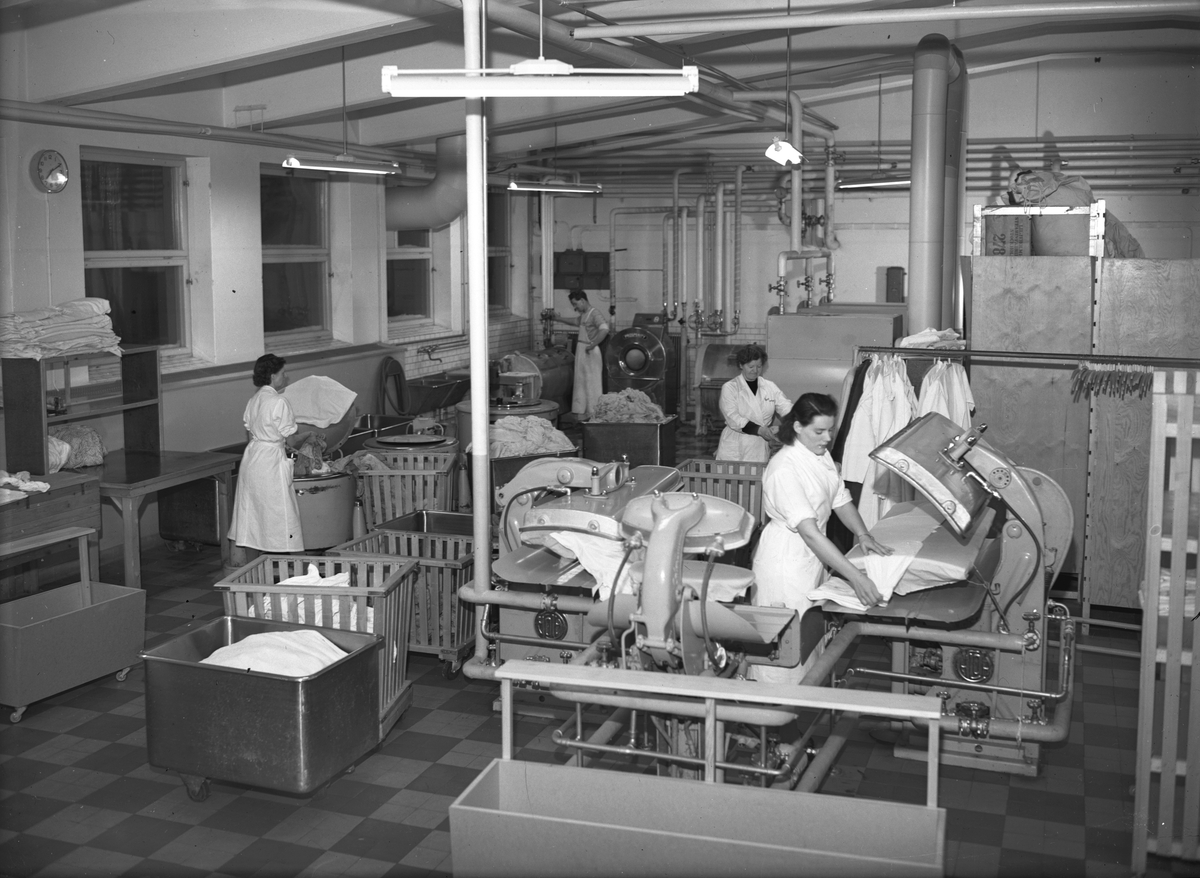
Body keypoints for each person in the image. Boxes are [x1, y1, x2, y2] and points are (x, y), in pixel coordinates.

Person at [752, 392, 892, 684]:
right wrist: (856, 578)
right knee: (786, 649)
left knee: (810, 641)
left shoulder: (819, 453)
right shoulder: (784, 468)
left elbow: (840, 499)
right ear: (798, 427)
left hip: (812, 558)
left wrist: (863, 534)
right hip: (785, 564)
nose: (828, 438)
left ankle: (803, 702)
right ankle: (773, 707)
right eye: (819, 431)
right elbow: (810, 533)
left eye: (830, 430)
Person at [228, 354, 314, 555]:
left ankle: (254, 568)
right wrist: (309, 435)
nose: (286, 376)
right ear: (273, 376)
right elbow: (291, 441)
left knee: (253, 517)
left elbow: (251, 435)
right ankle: (297, 567)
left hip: (252, 459)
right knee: (284, 515)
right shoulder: (279, 402)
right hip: (271, 463)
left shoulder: (253, 400)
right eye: (283, 373)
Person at [715, 344, 792, 462]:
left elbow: (785, 406)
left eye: (759, 366)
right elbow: (733, 418)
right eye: (751, 366)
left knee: (756, 473)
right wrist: (759, 430)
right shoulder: (730, 387)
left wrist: (792, 422)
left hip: (759, 446)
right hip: (736, 445)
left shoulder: (769, 386)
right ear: (741, 365)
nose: (755, 371)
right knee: (735, 474)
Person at [552, 290, 609, 422]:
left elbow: (604, 329)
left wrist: (593, 344)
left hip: (590, 351)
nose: (575, 307)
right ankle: (581, 411)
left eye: (575, 304)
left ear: (582, 300)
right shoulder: (584, 314)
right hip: (582, 350)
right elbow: (575, 321)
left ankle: (593, 412)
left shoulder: (594, 313)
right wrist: (558, 318)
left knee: (592, 382)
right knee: (581, 381)